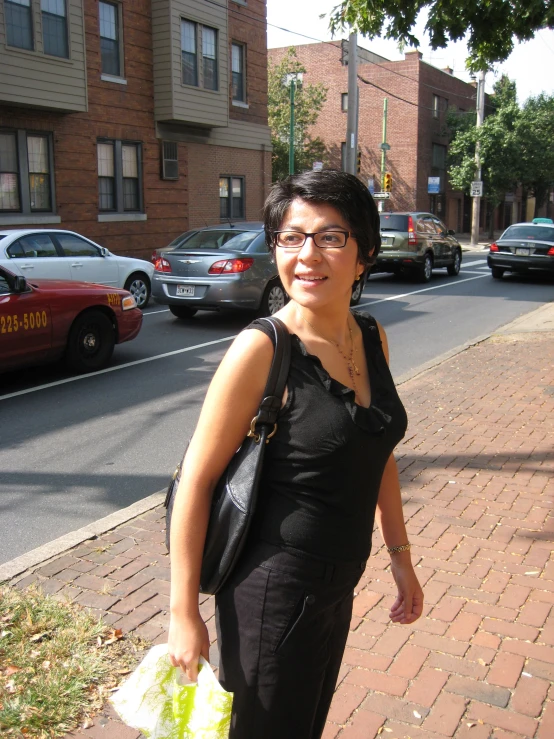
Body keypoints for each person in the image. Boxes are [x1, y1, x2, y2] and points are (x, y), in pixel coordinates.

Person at [168, 170, 424, 738]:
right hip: (273, 593)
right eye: (291, 237)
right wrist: (183, 612)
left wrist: (399, 555)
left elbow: (375, 448)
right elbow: (195, 483)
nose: (307, 255)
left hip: (338, 583)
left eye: (330, 237)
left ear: (364, 256)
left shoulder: (370, 335)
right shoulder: (262, 349)